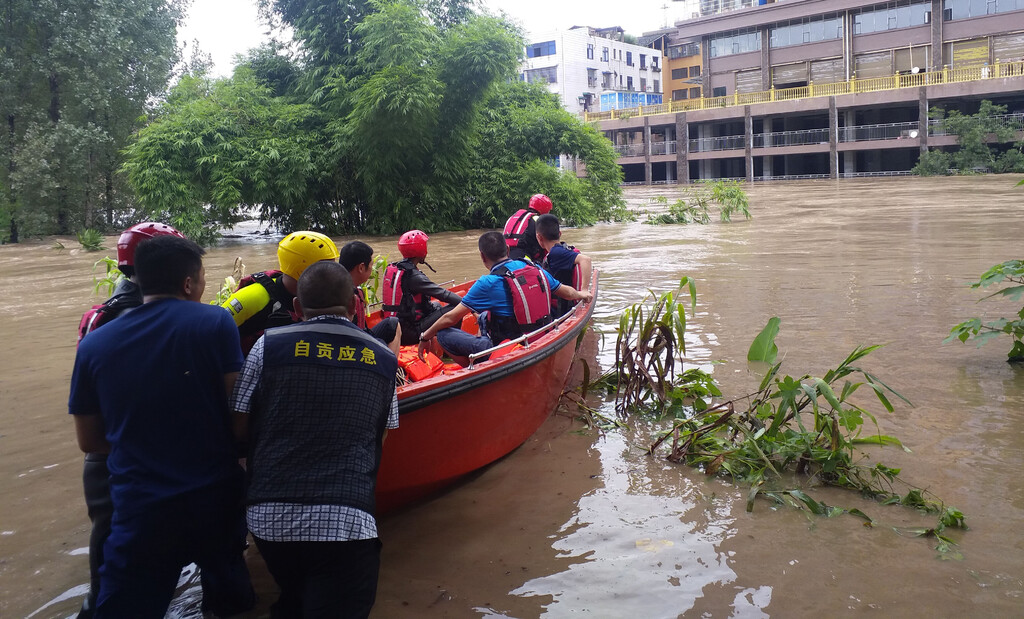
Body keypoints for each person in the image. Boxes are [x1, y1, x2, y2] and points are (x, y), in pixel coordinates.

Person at [69, 235, 255, 617]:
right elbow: (238, 411)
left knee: (125, 606)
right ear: (188, 283)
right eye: (202, 278)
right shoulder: (215, 322)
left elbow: (89, 440)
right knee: (230, 601)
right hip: (213, 497)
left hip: (140, 505)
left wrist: (144, 445)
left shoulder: (94, 343)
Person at [232, 261, 398, 618]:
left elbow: (239, 425)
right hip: (347, 519)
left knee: (294, 596)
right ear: (353, 305)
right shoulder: (384, 358)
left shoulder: (267, 346)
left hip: (268, 517)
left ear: (297, 306)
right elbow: (380, 438)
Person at [75, 222, 185, 618]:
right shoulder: (170, 319)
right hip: (145, 451)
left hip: (106, 449)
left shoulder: (99, 317)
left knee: (110, 541)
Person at [417, 231, 592, 366]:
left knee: (443, 334)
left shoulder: (486, 283)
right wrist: (582, 294)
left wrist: (425, 337)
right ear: (508, 250)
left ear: (482, 256)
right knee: (483, 315)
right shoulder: (534, 268)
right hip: (540, 335)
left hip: (506, 346)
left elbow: (450, 318)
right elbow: (567, 292)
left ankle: (473, 369)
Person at [222, 230, 340, 354]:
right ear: (301, 269)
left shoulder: (330, 297)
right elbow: (212, 333)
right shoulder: (252, 297)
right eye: (328, 270)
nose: (334, 276)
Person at [381, 230, 461, 346]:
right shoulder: (413, 276)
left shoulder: (398, 268)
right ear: (421, 250)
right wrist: (469, 305)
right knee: (456, 309)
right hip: (409, 333)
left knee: (437, 305)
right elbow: (443, 294)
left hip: (397, 327)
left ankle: (439, 344)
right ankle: (450, 349)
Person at [339, 240, 402, 355]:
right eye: (371, 265)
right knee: (393, 325)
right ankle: (390, 364)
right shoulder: (352, 296)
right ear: (361, 268)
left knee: (392, 323)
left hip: (354, 337)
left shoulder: (336, 287)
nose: (372, 269)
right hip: (355, 345)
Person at [535, 214, 593, 317]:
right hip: (564, 304)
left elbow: (586, 260)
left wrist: (584, 290)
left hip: (561, 309)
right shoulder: (560, 249)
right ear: (560, 234)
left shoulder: (556, 253)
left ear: (539, 237)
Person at [503, 193, 552, 262]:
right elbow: (547, 244)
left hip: (506, 256)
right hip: (524, 258)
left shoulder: (516, 217)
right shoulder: (538, 220)